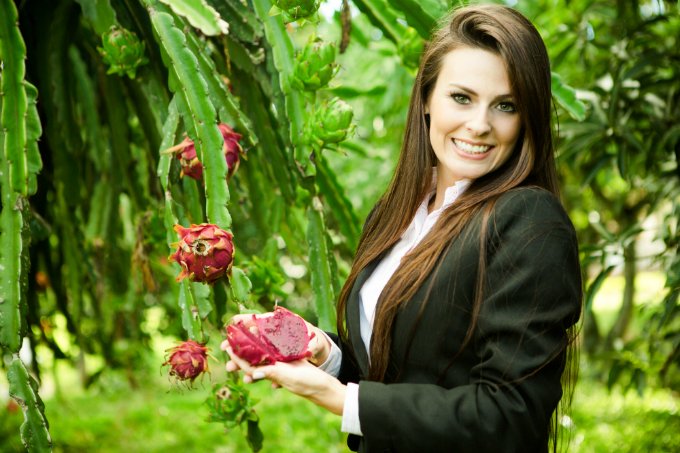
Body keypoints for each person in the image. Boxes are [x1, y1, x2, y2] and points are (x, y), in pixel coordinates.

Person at [224, 3, 582, 452]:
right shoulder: (397, 213)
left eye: (505, 105)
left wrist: (339, 400)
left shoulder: (530, 221)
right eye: (462, 97)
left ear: (526, 117)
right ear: (427, 99)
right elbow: (400, 373)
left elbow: (510, 415)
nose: (479, 125)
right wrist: (326, 354)